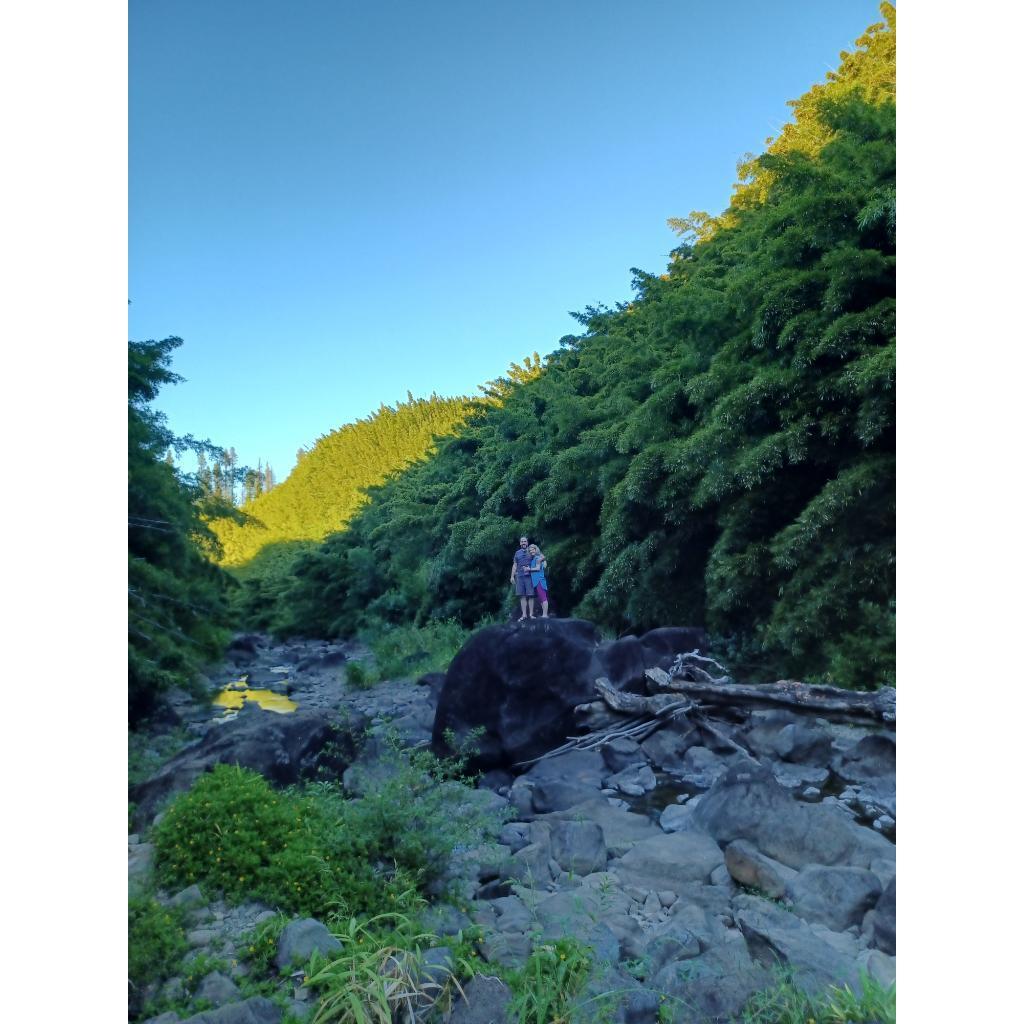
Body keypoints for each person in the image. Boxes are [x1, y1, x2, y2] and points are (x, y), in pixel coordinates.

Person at [509, 535, 535, 620]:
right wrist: (512, 576)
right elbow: (515, 564)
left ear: (527, 542)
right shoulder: (517, 553)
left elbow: (538, 559)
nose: (523, 543)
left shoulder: (531, 551)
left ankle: (531, 615)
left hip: (530, 576)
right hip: (519, 577)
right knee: (522, 596)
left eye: (525, 541)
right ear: (520, 543)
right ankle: (524, 615)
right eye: (522, 541)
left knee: (531, 595)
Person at [528, 543, 550, 618]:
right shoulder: (534, 559)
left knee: (543, 598)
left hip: (539, 580)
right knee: (541, 598)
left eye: (532, 550)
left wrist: (529, 569)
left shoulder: (538, 558)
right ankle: (544, 614)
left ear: (535, 549)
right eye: (530, 550)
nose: (531, 551)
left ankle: (545, 614)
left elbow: (537, 568)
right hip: (536, 582)